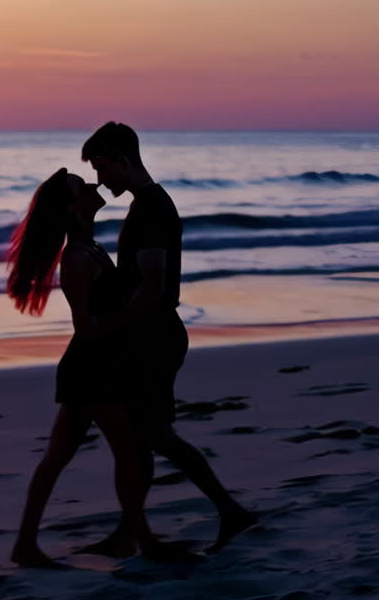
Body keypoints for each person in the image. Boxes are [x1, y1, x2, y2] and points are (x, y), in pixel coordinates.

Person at [76, 122, 257, 556]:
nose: (100, 179)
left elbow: (153, 287)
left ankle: (229, 511)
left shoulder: (152, 208)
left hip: (154, 337)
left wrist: (109, 327)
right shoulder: (146, 206)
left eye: (103, 167)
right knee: (142, 437)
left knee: (154, 435)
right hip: (148, 334)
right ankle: (131, 529)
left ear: (123, 160)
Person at [5, 168, 189, 568]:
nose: (92, 185)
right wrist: (128, 324)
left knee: (59, 456)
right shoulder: (77, 257)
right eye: (81, 187)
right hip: (93, 370)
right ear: (72, 207)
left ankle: (27, 545)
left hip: (94, 366)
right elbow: (86, 327)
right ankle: (143, 541)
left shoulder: (90, 248)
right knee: (130, 452)